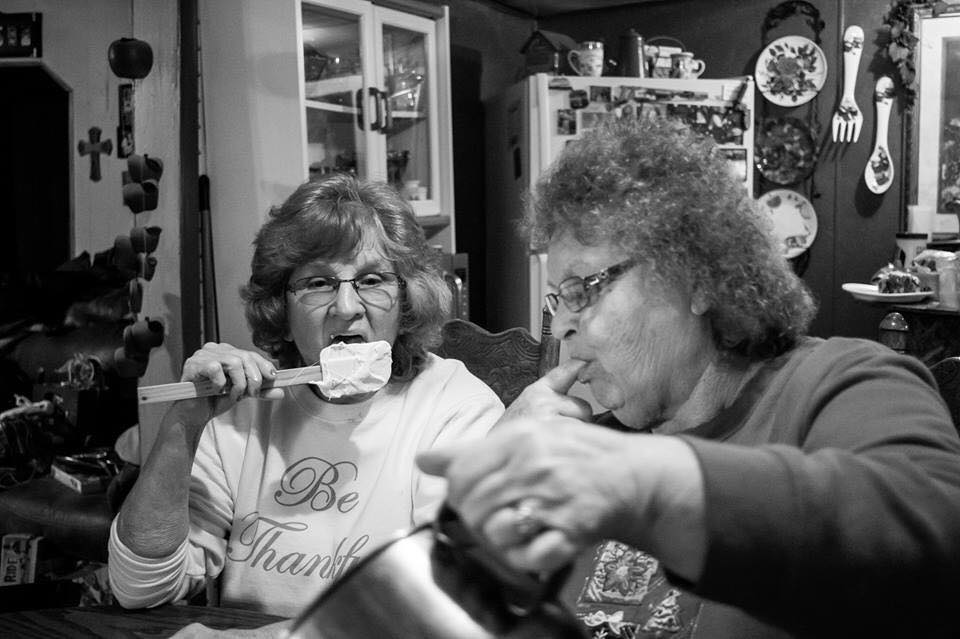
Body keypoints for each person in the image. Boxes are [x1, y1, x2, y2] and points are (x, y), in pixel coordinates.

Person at [417, 117, 960, 638]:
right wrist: (487, 503)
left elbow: (936, 540)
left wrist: (644, 486)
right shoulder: (599, 440)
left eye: (584, 288)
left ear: (697, 278)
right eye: (559, 297)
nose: (560, 324)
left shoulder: (838, 383)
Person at [108, 174, 504, 620]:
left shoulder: (456, 408)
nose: (347, 307)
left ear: (407, 296)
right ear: (282, 304)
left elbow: (457, 601)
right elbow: (138, 588)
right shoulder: (238, 408)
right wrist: (185, 422)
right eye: (318, 283)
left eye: (372, 280)